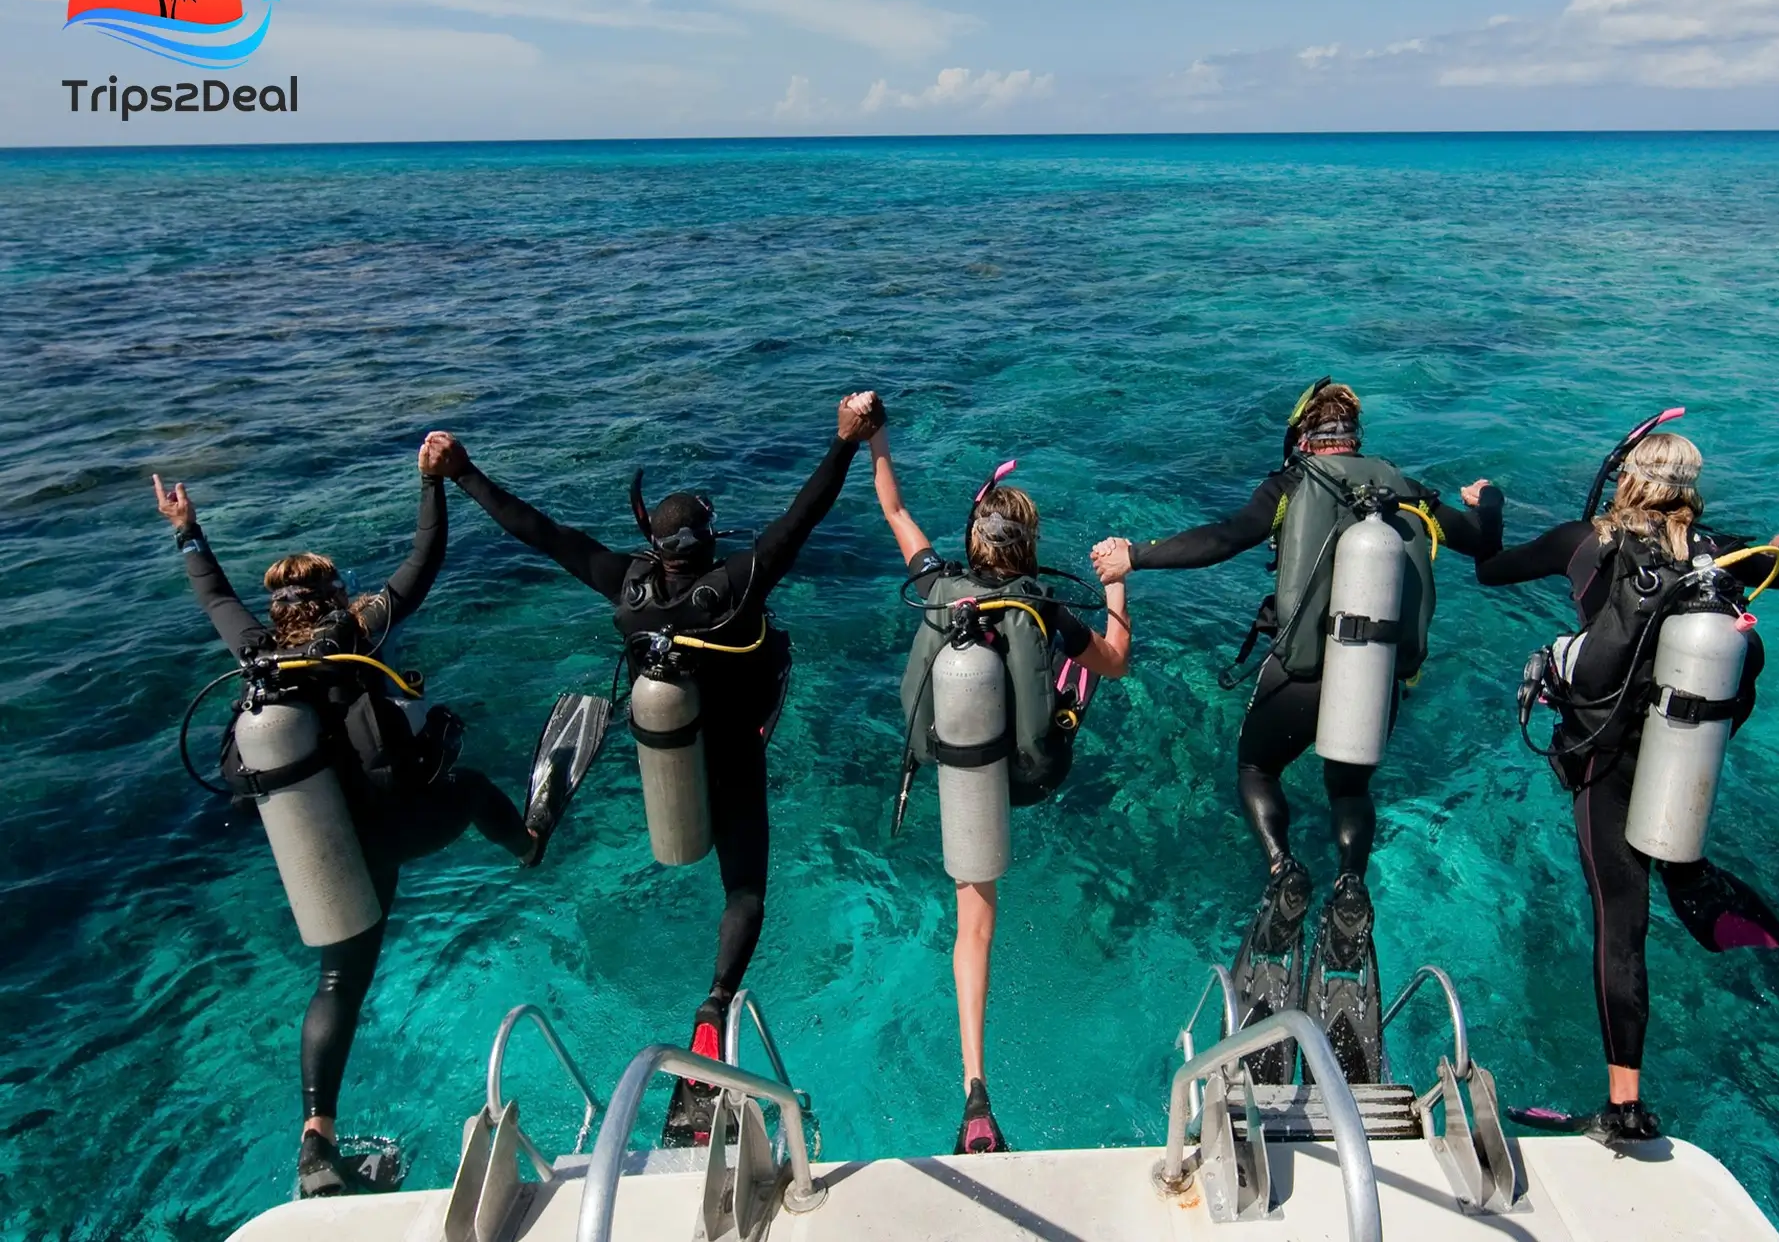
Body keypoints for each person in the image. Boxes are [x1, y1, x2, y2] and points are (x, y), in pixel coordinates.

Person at [424, 391, 884, 1144]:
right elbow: (804, 515)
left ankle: (534, 833)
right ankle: (713, 1005)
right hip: (734, 750)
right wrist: (844, 442)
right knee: (744, 891)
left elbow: (539, 531)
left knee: (660, 791)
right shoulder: (736, 584)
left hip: (663, 760)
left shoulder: (624, 584)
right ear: (706, 542)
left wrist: (464, 471)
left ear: (656, 545)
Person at [154, 447, 539, 1201]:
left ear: (278, 612)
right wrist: (431, 485)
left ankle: (317, 1144)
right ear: (334, 597)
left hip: (323, 850)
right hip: (392, 830)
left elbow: (213, 598)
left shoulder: (258, 656)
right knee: (467, 787)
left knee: (338, 981)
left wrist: (188, 531)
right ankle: (528, 846)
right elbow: (425, 561)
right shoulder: (358, 634)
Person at [1091, 379, 1500, 1084]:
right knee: (1349, 785)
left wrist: (1138, 557)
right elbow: (1483, 547)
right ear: (1356, 436)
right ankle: (1349, 885)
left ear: (1303, 435)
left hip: (1299, 678)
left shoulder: (1288, 483)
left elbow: (1223, 538)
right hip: (1371, 679)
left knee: (1258, 769)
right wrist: (1485, 502)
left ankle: (1283, 867)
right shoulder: (1407, 490)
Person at [1475, 427, 1779, 1145]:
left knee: (1619, 924)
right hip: (1681, 743)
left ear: (1628, 477)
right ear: (1691, 487)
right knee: (1658, 866)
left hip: (1604, 754)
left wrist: (1489, 504)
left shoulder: (1584, 540)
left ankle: (1624, 1108)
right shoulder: (1721, 552)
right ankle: (1690, 872)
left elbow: (1492, 569)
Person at [871, 430, 1131, 1154]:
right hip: (1033, 775)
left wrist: (877, 439)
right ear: (1027, 546)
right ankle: (1052, 703)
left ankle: (975, 1092)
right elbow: (1118, 660)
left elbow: (893, 509)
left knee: (973, 928)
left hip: (963, 778)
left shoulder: (935, 589)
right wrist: (1117, 584)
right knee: (1082, 683)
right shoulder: (1045, 608)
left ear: (974, 541)